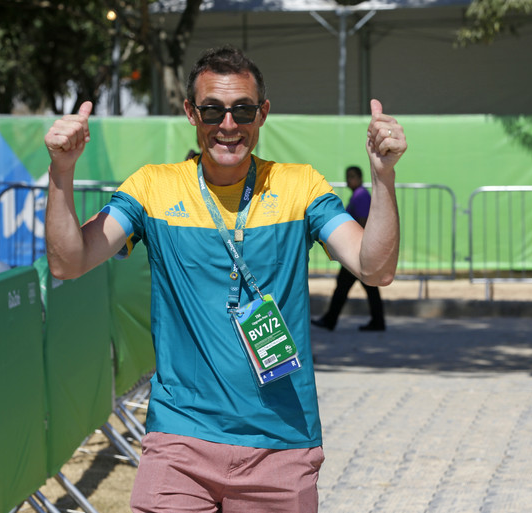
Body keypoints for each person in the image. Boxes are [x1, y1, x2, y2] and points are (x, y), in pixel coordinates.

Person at [44, 46, 406, 512]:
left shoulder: (301, 186)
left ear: (263, 114)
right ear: (191, 113)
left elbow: (375, 268)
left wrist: (383, 179)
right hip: (179, 444)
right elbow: (68, 263)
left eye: (243, 110)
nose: (228, 125)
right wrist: (62, 172)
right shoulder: (152, 187)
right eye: (212, 109)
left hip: (281, 444)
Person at [311, 165, 386, 331]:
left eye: (351, 176)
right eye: (347, 176)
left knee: (344, 286)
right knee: (366, 287)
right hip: (361, 249)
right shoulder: (359, 195)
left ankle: (331, 320)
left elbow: (362, 220)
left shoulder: (360, 196)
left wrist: (357, 244)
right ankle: (377, 321)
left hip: (359, 250)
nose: (348, 180)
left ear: (359, 178)